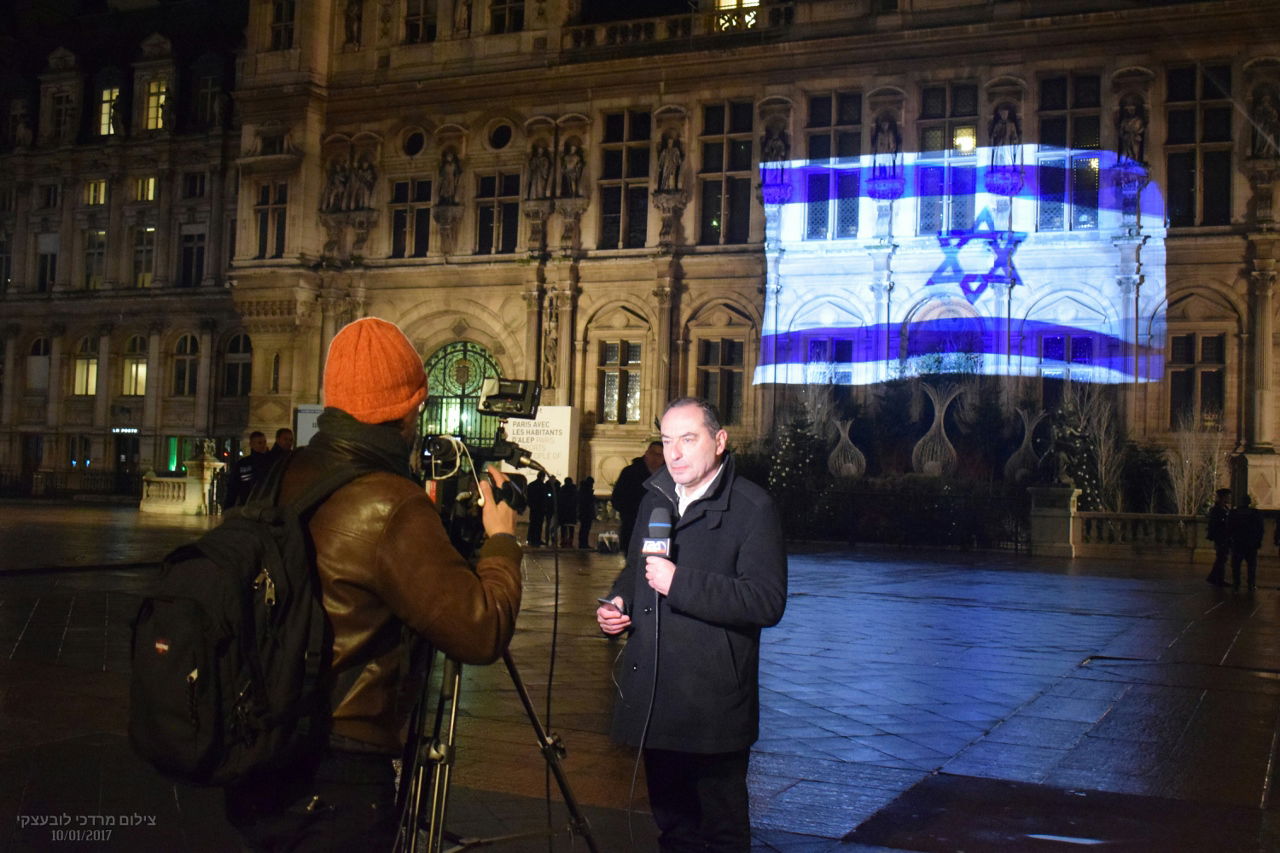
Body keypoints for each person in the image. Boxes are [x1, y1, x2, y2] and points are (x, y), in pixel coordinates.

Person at [223, 316, 522, 851]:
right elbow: (481, 631)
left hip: (261, 743)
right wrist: (500, 542)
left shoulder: (279, 475)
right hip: (340, 764)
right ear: (408, 410)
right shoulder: (390, 501)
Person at [597, 398, 787, 851]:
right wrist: (619, 601)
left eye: (688, 439)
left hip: (713, 704)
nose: (674, 453)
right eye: (666, 441)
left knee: (721, 832)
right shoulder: (654, 500)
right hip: (658, 695)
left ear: (719, 442)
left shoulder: (753, 508)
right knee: (673, 828)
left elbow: (766, 601)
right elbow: (636, 569)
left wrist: (679, 583)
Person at [610, 440, 663, 555]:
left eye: (659, 455)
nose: (655, 458)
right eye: (652, 453)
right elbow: (617, 499)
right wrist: (633, 512)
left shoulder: (667, 476)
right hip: (633, 529)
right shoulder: (630, 473)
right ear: (646, 454)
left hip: (657, 532)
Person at [222, 430, 271, 510]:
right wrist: (228, 507)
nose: (263, 445)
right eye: (259, 443)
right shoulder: (243, 463)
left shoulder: (271, 461)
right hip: (247, 502)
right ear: (251, 444)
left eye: (264, 442)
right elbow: (233, 486)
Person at [1228, 494, 1263, 591]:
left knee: (1236, 565)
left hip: (1238, 542)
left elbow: (1229, 528)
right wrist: (1258, 541)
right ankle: (1251, 584)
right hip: (1250, 543)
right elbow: (1260, 529)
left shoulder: (1234, 513)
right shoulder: (1255, 513)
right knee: (1251, 565)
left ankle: (1236, 583)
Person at [1205, 487, 1231, 587]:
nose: (1229, 498)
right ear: (1223, 497)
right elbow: (1216, 524)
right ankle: (1216, 578)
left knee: (1222, 558)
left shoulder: (1224, 508)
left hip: (1224, 537)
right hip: (1221, 537)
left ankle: (1217, 578)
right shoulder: (1217, 509)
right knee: (1221, 558)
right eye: (1228, 496)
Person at [526, 471, 551, 547]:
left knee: (533, 523)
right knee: (538, 524)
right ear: (542, 477)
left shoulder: (531, 485)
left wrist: (530, 504)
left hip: (534, 508)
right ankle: (537, 539)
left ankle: (530, 538)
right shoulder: (542, 486)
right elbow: (545, 497)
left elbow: (528, 496)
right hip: (540, 508)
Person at [557, 476, 579, 548]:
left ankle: (563, 540)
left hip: (564, 511)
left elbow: (559, 500)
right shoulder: (574, 490)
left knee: (564, 527)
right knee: (571, 527)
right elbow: (576, 501)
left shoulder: (562, 489)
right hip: (571, 511)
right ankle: (570, 541)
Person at [577, 476, 596, 549]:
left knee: (584, 528)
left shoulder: (582, 490)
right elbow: (588, 501)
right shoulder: (586, 491)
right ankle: (583, 543)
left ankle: (583, 543)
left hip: (584, 512)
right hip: (586, 512)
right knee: (585, 529)